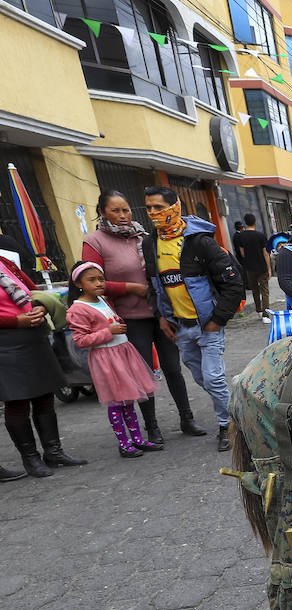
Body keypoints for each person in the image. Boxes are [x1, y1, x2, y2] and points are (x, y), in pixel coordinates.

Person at [82, 189, 206, 441]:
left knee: (173, 368)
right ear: (102, 212)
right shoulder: (95, 242)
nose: (122, 215)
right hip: (129, 318)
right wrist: (131, 288)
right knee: (144, 373)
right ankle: (152, 428)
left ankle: (187, 419)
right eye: (115, 211)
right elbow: (92, 281)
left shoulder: (144, 236)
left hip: (161, 313)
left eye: (126, 210)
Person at [145, 185, 244, 453]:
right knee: (203, 379)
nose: (153, 213)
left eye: (159, 207)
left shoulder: (200, 242)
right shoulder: (150, 243)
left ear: (175, 207)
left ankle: (228, 426)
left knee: (213, 379)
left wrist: (218, 319)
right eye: (149, 208)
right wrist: (161, 317)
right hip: (180, 328)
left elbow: (234, 282)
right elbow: (153, 283)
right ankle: (239, 410)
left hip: (208, 326)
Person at [0, 253, 85, 479]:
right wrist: (16, 321)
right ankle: (31, 459)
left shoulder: (4, 263)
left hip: (33, 335)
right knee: (17, 400)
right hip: (5, 343)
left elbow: (32, 291)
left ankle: (54, 452)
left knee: (45, 394)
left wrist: (41, 307)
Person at [65, 263, 160, 458]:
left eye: (101, 279)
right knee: (116, 402)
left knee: (128, 400)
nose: (98, 283)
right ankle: (123, 443)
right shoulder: (78, 309)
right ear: (78, 284)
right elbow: (81, 340)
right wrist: (108, 332)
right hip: (106, 359)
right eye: (92, 280)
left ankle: (137, 439)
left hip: (123, 353)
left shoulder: (103, 300)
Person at [233, 213, 272, 322]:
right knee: (264, 291)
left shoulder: (241, 236)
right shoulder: (261, 235)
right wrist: (269, 268)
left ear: (245, 223)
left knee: (255, 290)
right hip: (261, 266)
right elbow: (265, 253)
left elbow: (242, 253)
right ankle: (266, 315)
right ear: (255, 222)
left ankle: (259, 310)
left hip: (249, 267)